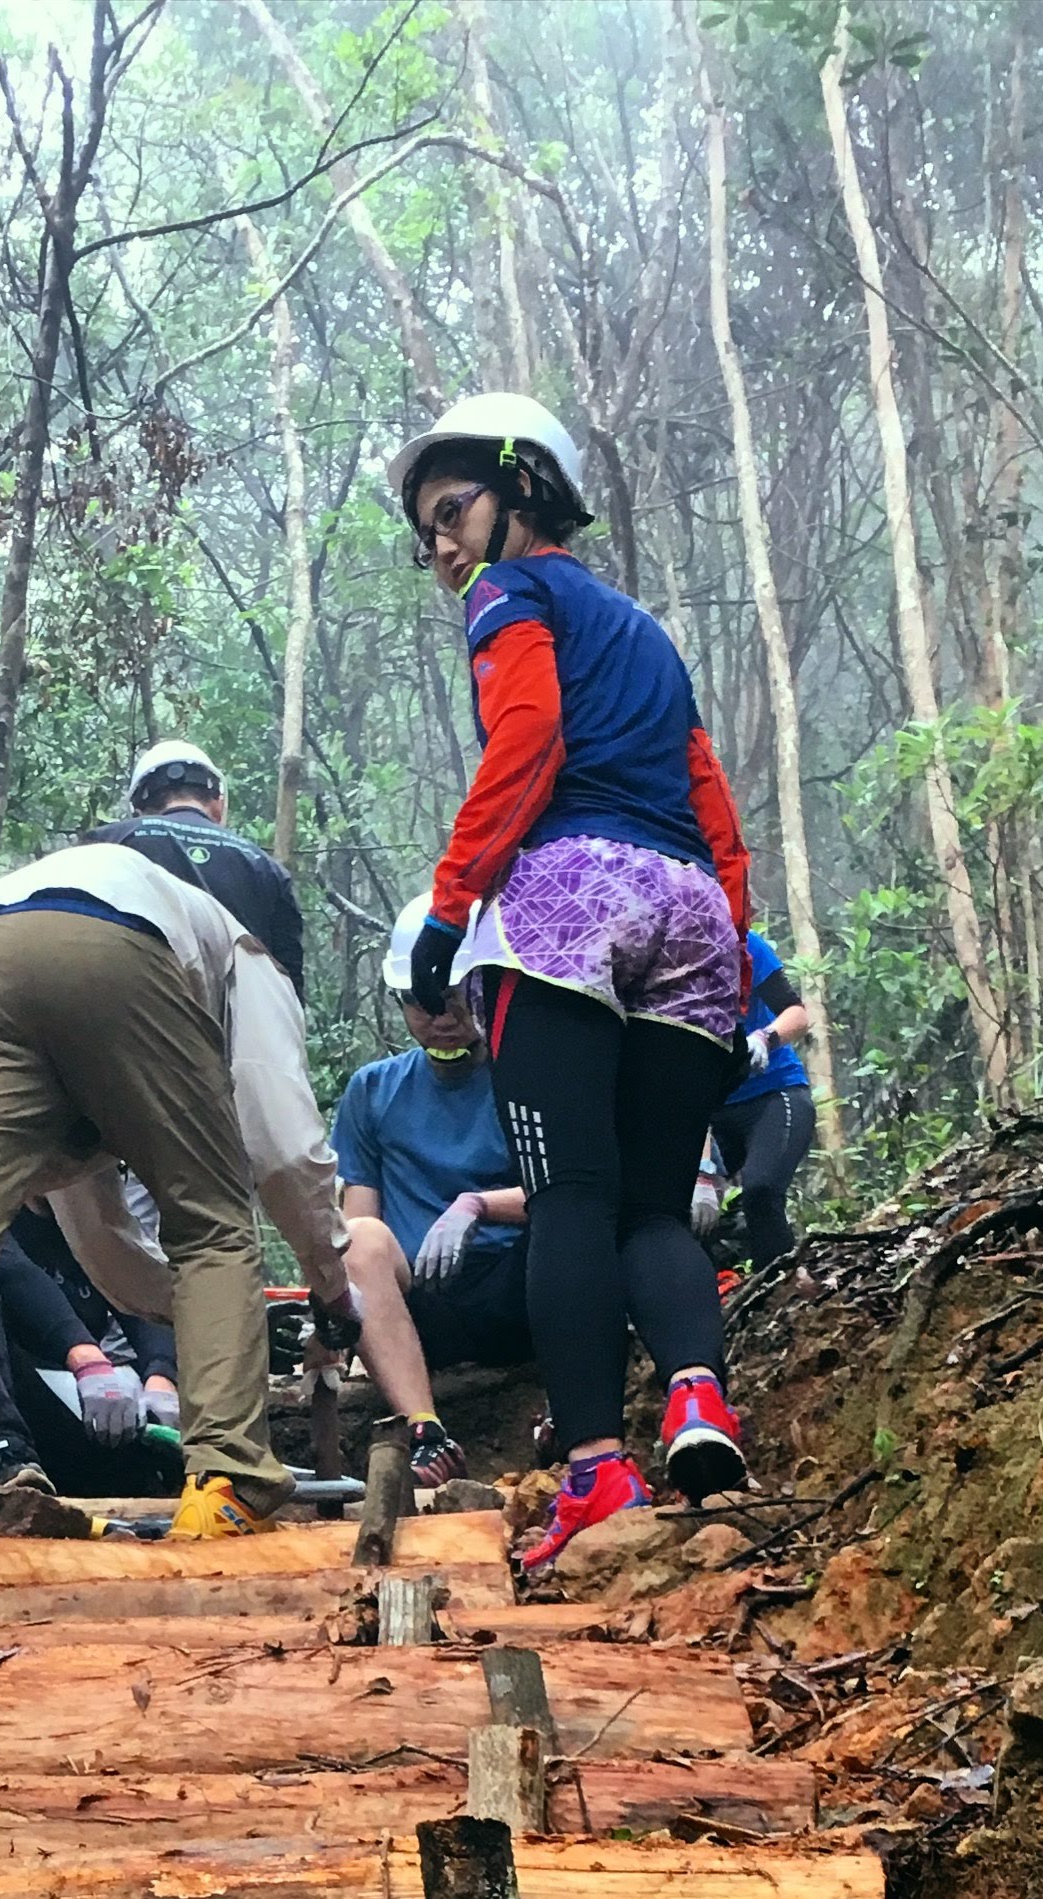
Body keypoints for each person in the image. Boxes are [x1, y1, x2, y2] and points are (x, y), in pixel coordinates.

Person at [386, 391, 753, 1574]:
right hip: (691, 912)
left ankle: (598, 1471)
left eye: (454, 512)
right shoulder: (648, 633)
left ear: (524, 491)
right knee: (655, 1202)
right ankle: (701, 1402)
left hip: (568, 901)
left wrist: (452, 905)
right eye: (427, 530)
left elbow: (529, 736)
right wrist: (731, 960)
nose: (443, 546)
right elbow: (714, 810)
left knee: (568, 1202)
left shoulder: (513, 593)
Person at [0, 840, 356, 1586]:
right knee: (213, 1220)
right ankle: (227, 1486)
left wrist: (166, 1315)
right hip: (114, 948)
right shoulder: (248, 952)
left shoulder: (71, 885)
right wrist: (331, 1283)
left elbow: (98, 1228)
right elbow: (284, 1152)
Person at [331, 896, 533, 1489]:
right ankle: (425, 1428)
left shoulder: (527, 1076)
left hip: (520, 1285)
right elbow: (356, 1228)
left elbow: (571, 1192)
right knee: (360, 1238)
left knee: (571, 1228)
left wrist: (478, 1205)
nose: (437, 1017)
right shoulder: (373, 1091)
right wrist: (335, 1324)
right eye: (420, 1001)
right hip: (424, 1303)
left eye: (450, 999)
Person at [0, 1210, 182, 1499]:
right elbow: (17, 1274)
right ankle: (7, 1456)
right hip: (4, 1406)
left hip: (83, 1414)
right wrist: (87, 1359)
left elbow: (146, 1294)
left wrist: (161, 1377)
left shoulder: (94, 1228)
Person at [83, 739, 305, 994]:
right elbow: (289, 990)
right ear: (219, 805)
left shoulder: (105, 844)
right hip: (231, 1027)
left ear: (139, 809)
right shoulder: (267, 869)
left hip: (134, 1013)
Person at [693, 928, 817, 1268]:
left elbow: (796, 1012)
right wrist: (704, 1171)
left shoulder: (742, 942)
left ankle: (779, 1288)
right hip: (710, 1111)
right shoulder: (660, 959)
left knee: (760, 1192)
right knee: (680, 1208)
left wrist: (766, 1037)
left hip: (775, 1093)